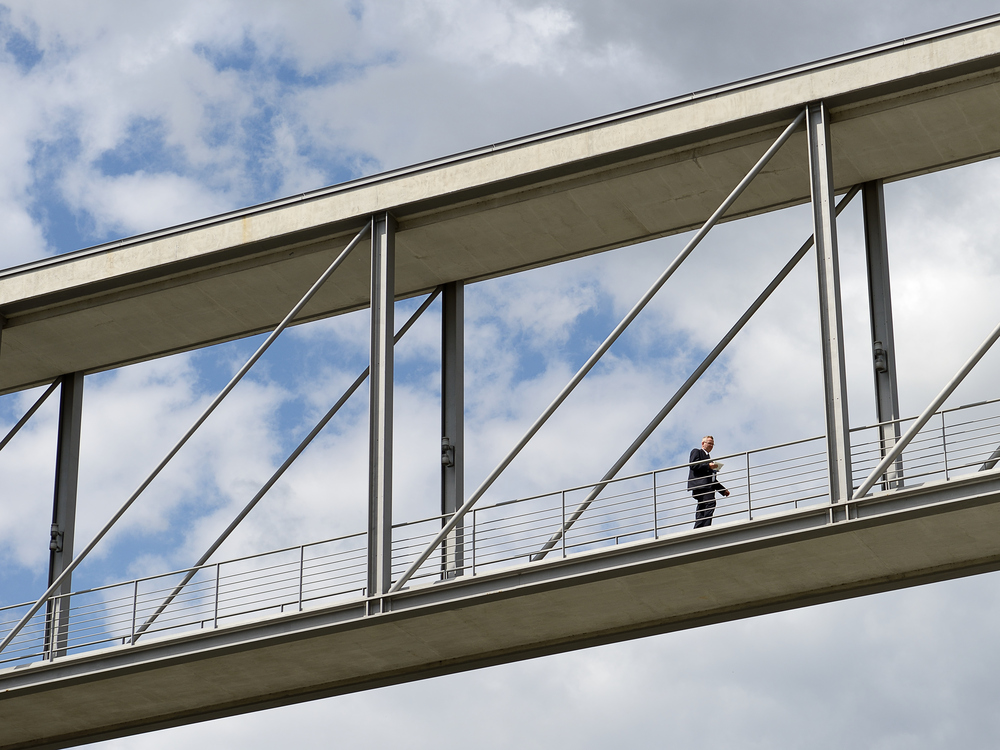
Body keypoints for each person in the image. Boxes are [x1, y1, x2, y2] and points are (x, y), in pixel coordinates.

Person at [688, 435, 729, 528]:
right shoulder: (696, 452)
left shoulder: (710, 459)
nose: (711, 446)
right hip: (701, 486)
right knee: (710, 503)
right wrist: (708, 466)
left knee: (702, 508)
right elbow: (693, 465)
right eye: (709, 443)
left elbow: (712, 479)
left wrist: (723, 490)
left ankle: (698, 528)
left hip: (706, 486)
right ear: (703, 443)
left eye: (712, 444)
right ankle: (706, 527)